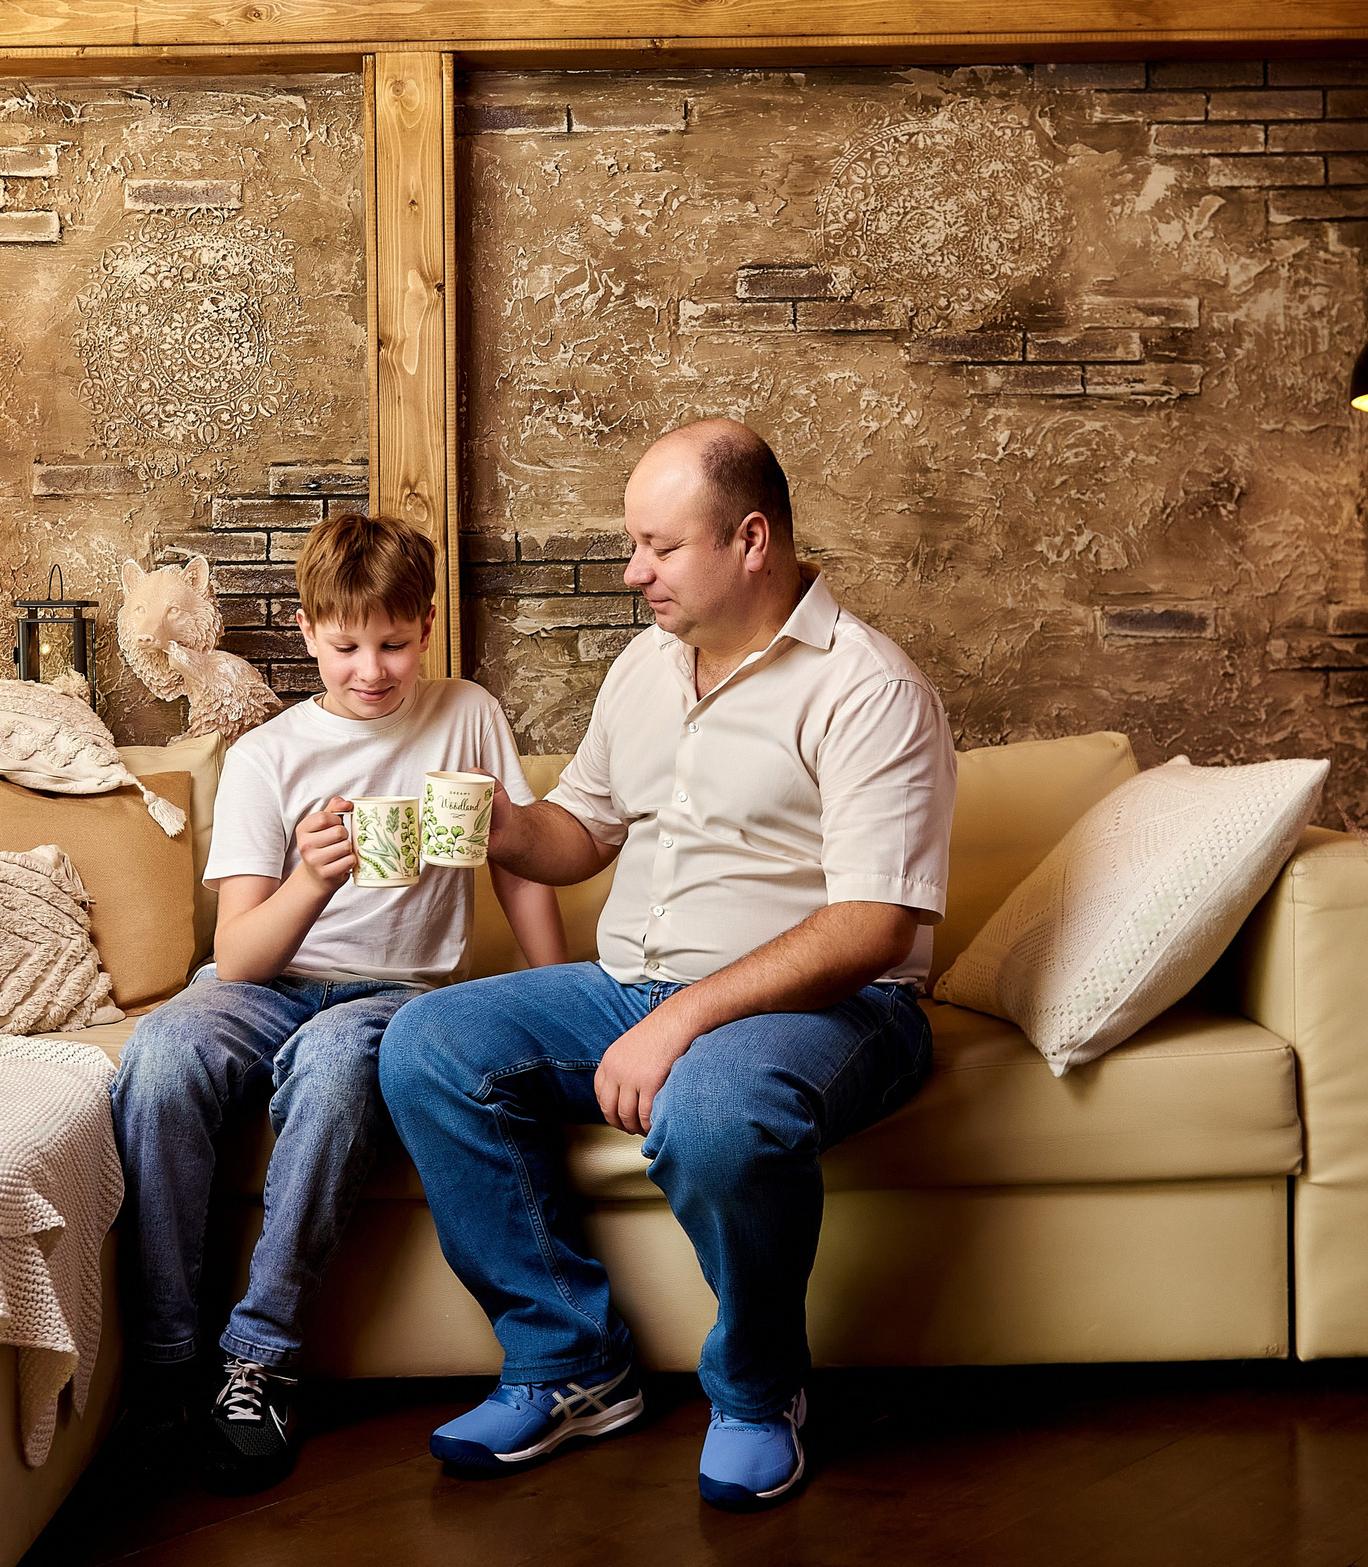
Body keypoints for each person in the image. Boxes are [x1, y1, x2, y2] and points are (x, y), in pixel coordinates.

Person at [379, 420, 956, 1512]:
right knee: (430, 1042)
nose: (632, 570)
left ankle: (757, 1390)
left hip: (835, 1004)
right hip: (634, 985)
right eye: (632, 544)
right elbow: (579, 836)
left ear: (750, 540)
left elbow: (876, 925)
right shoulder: (646, 664)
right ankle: (569, 1363)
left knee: (717, 1105)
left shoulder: (867, 687)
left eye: (657, 545)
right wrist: (498, 824)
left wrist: (682, 1017)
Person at [110, 512, 568, 1492]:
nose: (371, 668)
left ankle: (258, 1358)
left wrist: (550, 990)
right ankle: (158, 1360)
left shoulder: (467, 714)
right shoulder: (269, 756)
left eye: (394, 643)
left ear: (427, 626)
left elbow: (522, 866)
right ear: (310, 631)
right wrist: (313, 879)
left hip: (400, 996)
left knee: (337, 1066)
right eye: (347, 644)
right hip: (268, 982)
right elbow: (235, 957)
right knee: (161, 1055)